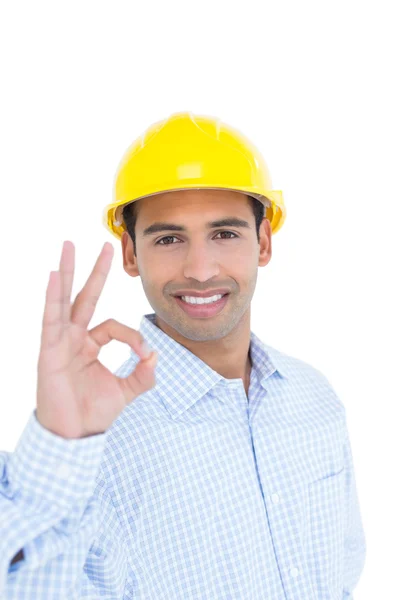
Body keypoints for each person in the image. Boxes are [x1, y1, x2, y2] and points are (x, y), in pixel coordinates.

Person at [0, 112, 366, 599]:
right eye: (169, 239)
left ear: (264, 242)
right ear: (131, 254)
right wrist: (59, 443)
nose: (199, 270)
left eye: (225, 233)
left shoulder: (314, 397)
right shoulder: (95, 447)